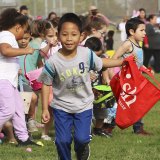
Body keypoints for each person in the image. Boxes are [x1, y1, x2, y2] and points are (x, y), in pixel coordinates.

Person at [39, 13, 123, 160]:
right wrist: (45, 108)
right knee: (62, 141)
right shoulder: (53, 62)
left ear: (81, 36)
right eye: (65, 34)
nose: (69, 39)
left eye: (73, 34)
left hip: (83, 106)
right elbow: (46, 83)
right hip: (61, 107)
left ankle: (82, 150)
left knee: (82, 139)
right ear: (58, 36)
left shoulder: (87, 54)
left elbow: (102, 63)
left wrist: (123, 62)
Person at [0, 8, 40, 146]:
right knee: (8, 111)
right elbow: (5, 50)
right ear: (18, 27)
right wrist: (25, 50)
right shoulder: (6, 35)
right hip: (3, 80)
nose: (24, 34)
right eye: (24, 29)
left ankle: (23, 138)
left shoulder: (8, 36)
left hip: (10, 80)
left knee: (18, 110)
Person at [112, 17, 151, 135]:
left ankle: (138, 128)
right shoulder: (128, 44)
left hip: (137, 79)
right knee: (127, 104)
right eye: (142, 30)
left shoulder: (138, 44)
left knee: (138, 104)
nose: (145, 33)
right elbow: (114, 58)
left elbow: (138, 62)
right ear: (132, 32)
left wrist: (145, 69)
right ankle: (107, 125)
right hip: (128, 81)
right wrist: (125, 62)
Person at [84, 37, 112, 137]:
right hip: (85, 90)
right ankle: (86, 131)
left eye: (97, 54)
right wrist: (86, 76)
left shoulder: (101, 59)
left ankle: (98, 129)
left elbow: (104, 71)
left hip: (99, 90)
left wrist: (107, 80)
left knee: (101, 111)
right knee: (87, 112)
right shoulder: (82, 60)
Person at [18, 25, 39, 133]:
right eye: (20, 38)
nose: (23, 41)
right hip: (17, 82)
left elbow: (40, 62)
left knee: (33, 99)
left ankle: (30, 120)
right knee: (30, 99)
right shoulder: (12, 49)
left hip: (28, 82)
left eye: (25, 38)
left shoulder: (34, 49)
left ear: (30, 37)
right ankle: (27, 121)